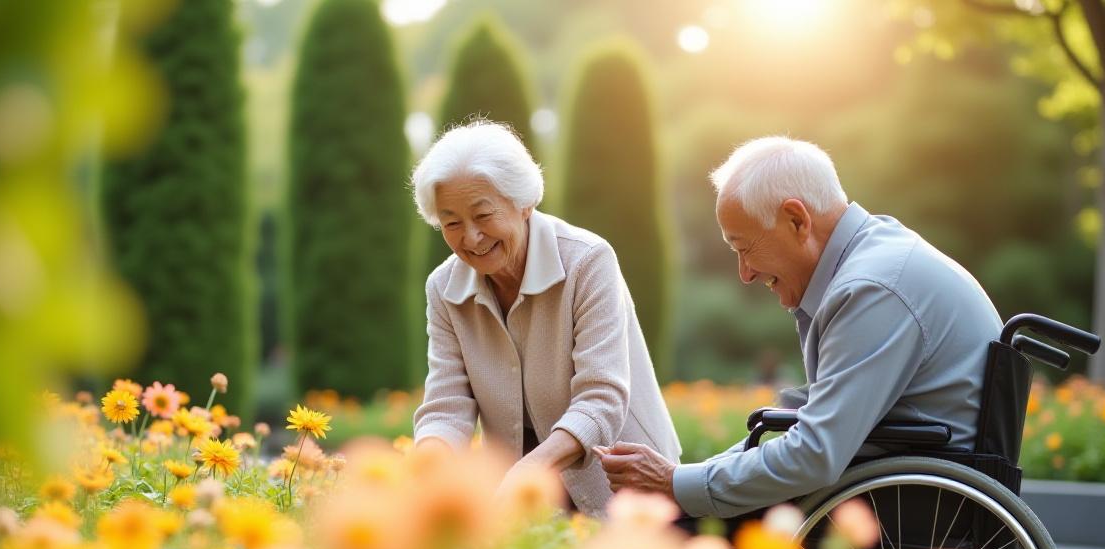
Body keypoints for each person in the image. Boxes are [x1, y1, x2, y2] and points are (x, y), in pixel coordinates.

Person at [598, 136, 1002, 518]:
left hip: (913, 502)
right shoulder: (874, 260)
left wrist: (674, 484)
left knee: (671, 528)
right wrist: (685, 479)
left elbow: (814, 454)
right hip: (910, 482)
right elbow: (812, 425)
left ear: (796, 220)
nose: (744, 273)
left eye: (744, 248)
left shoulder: (871, 289)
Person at [410, 120, 680, 517]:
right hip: (523, 501)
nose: (470, 238)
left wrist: (533, 467)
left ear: (524, 203)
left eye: (483, 215)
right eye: (451, 223)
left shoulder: (587, 260)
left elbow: (601, 398)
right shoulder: (445, 288)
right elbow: (447, 405)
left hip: (625, 494)